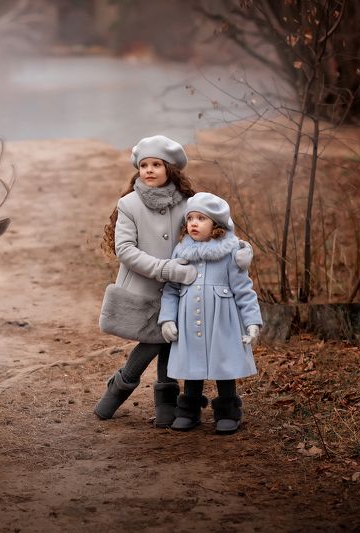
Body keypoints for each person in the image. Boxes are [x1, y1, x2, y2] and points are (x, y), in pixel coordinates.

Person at [94, 135, 252, 427]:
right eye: (144, 165)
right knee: (152, 342)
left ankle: (167, 399)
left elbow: (220, 229)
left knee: (171, 340)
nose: (149, 170)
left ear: (170, 169)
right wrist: (166, 270)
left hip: (187, 288)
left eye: (156, 164)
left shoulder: (189, 203)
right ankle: (120, 386)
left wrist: (241, 250)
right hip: (144, 285)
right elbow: (125, 250)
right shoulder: (129, 204)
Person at [158, 192, 262, 435]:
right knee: (192, 366)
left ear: (216, 224)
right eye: (190, 218)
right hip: (189, 322)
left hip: (222, 322)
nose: (193, 223)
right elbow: (171, 289)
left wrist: (252, 323)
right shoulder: (181, 251)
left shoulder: (230, 252)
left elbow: (244, 290)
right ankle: (188, 410)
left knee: (223, 365)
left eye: (201, 218)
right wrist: (167, 319)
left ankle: (228, 411)